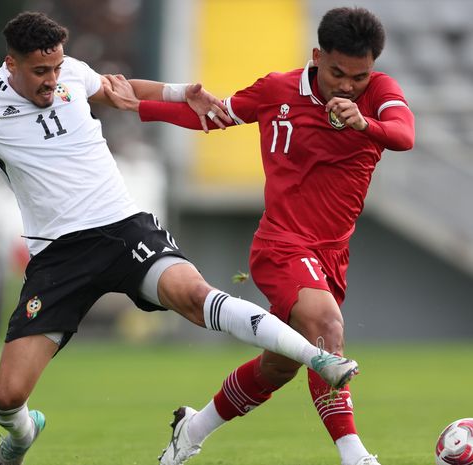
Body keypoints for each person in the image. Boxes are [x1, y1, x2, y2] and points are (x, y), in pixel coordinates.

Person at [0, 11, 359, 465]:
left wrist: (183, 93)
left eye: (57, 67)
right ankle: (24, 434)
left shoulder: (74, 72)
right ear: (11, 63)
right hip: (58, 258)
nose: (54, 80)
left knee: (193, 293)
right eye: (40, 71)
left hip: (123, 228)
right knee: (7, 397)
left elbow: (120, 86)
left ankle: (319, 358)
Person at [104, 6, 415, 465]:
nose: (348, 85)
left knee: (280, 366)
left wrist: (362, 122)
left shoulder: (380, 92)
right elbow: (213, 116)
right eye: (337, 73)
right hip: (281, 244)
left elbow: (404, 135)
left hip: (332, 254)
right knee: (326, 328)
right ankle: (356, 456)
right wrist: (140, 106)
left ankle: (192, 427)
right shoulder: (278, 90)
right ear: (316, 56)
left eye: (359, 76)